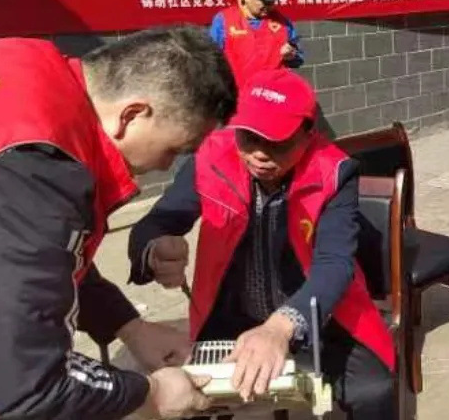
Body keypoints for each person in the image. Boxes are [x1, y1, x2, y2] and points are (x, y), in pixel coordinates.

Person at [0, 26, 238, 420]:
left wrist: (128, 326)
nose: (164, 166)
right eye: (174, 149)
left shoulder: (26, 65)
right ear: (132, 115)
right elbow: (30, 386)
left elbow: (31, 260)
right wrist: (151, 393)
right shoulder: (36, 167)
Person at [127, 68, 396, 419]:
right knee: (187, 391)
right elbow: (156, 222)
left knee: (374, 390)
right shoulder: (212, 155)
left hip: (313, 313)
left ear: (308, 134)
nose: (259, 154)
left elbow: (334, 264)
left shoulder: (334, 171)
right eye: (248, 138)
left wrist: (280, 327)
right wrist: (154, 249)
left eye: (277, 142)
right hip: (230, 314)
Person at [209, 0, 304, 83]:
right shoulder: (224, 20)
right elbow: (211, 59)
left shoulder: (282, 23)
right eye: (264, 1)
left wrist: (291, 55)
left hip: (272, 90)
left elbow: (299, 58)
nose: (269, 5)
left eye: (272, 1)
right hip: (238, 91)